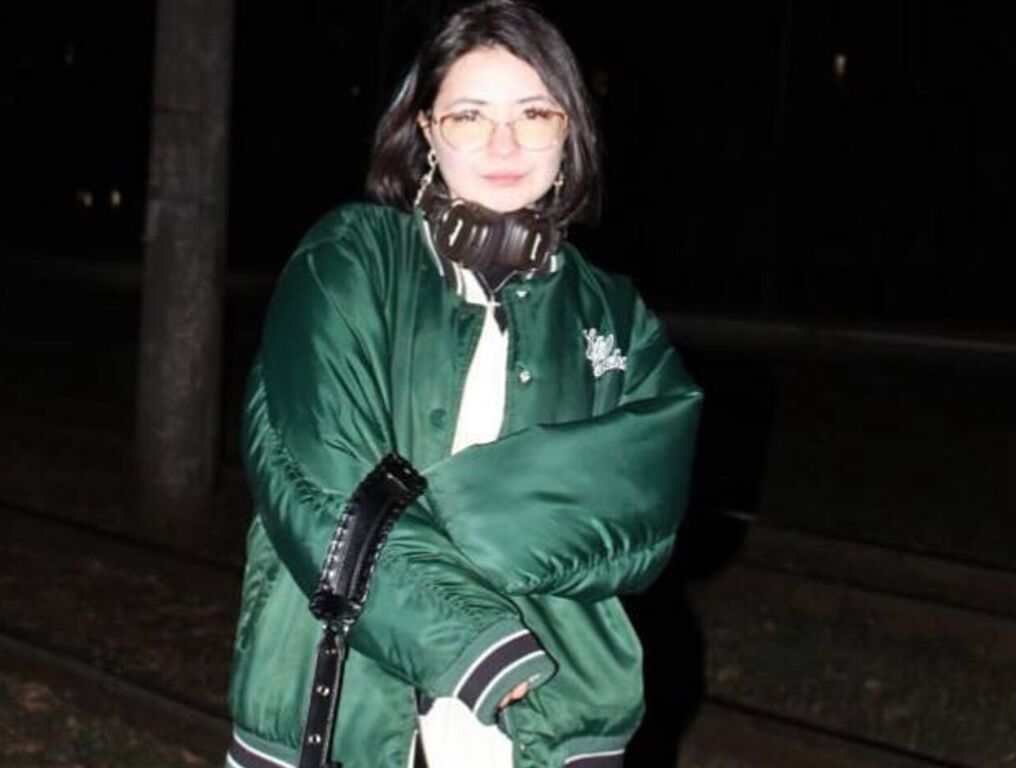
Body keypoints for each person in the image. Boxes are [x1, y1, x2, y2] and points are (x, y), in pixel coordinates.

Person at [224, 2, 702, 767]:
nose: (503, 144)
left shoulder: (613, 311)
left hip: (548, 718)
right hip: (340, 706)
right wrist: (474, 643)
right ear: (426, 131)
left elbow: (643, 506)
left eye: (534, 113)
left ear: (569, 130)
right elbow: (316, 479)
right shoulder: (349, 261)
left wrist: (410, 509)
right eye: (470, 115)